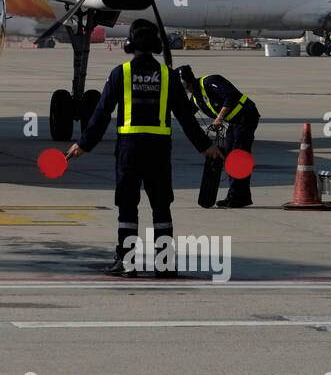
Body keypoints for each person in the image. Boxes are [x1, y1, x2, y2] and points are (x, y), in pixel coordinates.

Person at [65, 19, 223, 277]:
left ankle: (127, 262)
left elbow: (102, 113)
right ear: (156, 45)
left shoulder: (120, 73)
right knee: (161, 206)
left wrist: (84, 144)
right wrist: (206, 147)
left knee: (127, 205)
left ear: (130, 44)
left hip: (130, 150)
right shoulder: (168, 76)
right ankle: (164, 263)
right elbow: (185, 116)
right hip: (159, 150)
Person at [175, 64, 260, 208]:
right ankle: (237, 195)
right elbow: (186, 114)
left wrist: (219, 118)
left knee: (237, 156)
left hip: (246, 117)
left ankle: (239, 197)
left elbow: (231, 95)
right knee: (228, 156)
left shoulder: (210, 81)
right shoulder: (196, 98)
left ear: (184, 82)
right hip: (235, 123)